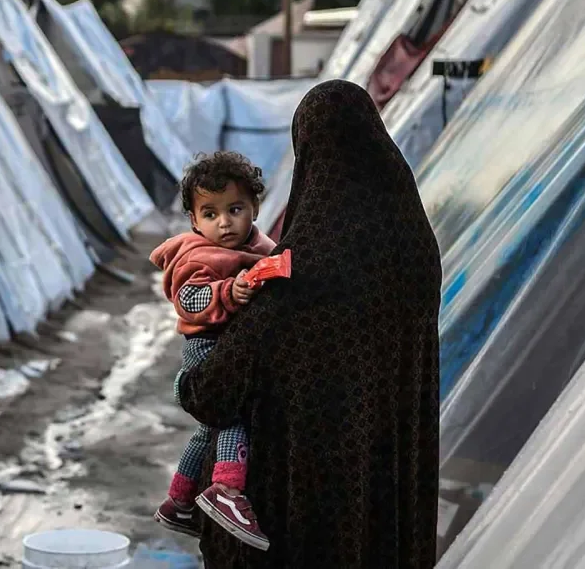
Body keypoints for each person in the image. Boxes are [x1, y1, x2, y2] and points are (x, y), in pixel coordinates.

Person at [177, 79, 442, 567]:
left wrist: (188, 381)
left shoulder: (309, 261)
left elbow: (215, 391)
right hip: (388, 498)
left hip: (306, 508)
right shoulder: (416, 248)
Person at [149, 152, 277, 550]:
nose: (224, 223)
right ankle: (227, 488)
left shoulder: (260, 246)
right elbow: (189, 299)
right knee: (231, 410)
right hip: (207, 347)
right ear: (193, 220)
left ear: (255, 208)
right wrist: (227, 291)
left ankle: (179, 501)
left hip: (232, 346)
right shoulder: (195, 255)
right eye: (210, 213)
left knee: (208, 430)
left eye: (235, 209)